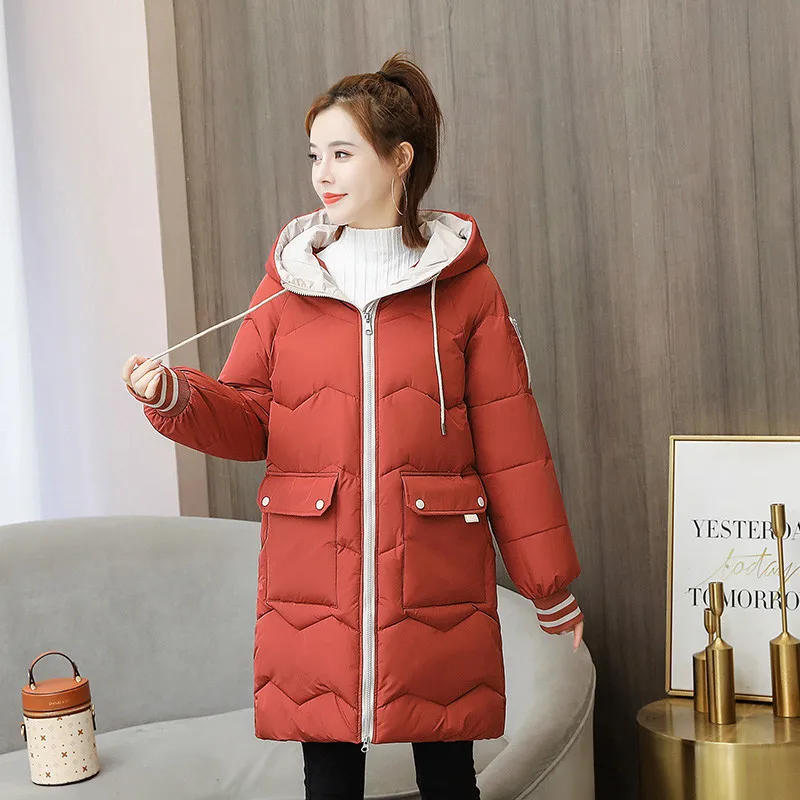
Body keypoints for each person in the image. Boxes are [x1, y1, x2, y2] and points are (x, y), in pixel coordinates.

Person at [121, 51, 584, 800]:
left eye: (342, 154)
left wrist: (548, 585)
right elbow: (249, 420)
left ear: (400, 160)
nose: (322, 175)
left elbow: (513, 446)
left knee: (449, 776)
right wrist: (178, 396)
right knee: (329, 780)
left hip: (435, 572)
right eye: (315, 155)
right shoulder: (288, 283)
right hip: (313, 577)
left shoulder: (465, 290)